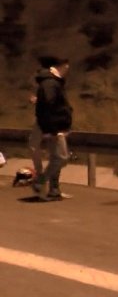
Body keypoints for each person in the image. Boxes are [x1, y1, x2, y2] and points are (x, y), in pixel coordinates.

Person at [30, 55, 74, 201]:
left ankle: (54, 190)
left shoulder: (53, 82)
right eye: (66, 66)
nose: (67, 69)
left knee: (56, 157)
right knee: (62, 157)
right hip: (55, 128)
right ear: (61, 66)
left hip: (57, 126)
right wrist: (51, 130)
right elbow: (47, 108)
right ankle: (40, 181)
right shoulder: (50, 84)